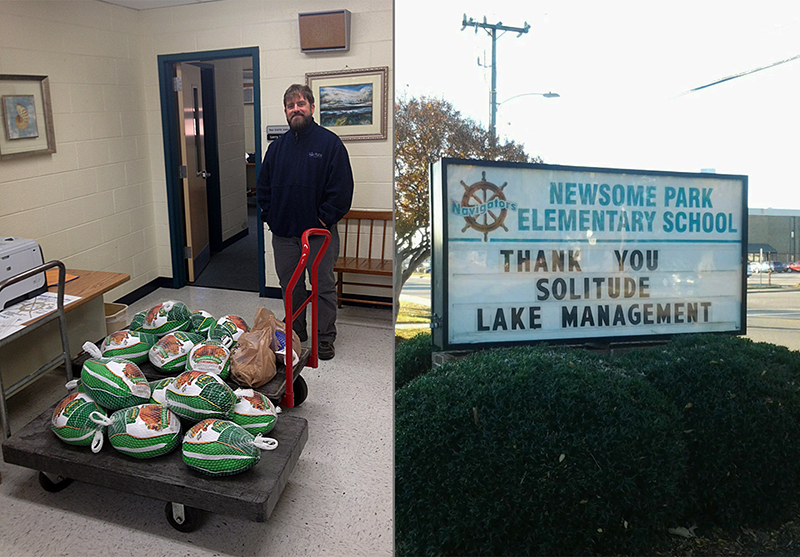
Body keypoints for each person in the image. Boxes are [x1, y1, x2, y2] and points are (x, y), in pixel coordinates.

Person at [256, 84, 354, 360]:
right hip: (285, 235)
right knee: (291, 286)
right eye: (290, 105)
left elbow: (342, 190)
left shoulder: (330, 144)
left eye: (300, 103)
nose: (295, 109)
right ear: (286, 112)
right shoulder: (277, 149)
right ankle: (297, 331)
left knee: (323, 287)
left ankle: (325, 337)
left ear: (312, 107)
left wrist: (322, 219)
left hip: (318, 235)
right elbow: (263, 188)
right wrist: (271, 216)